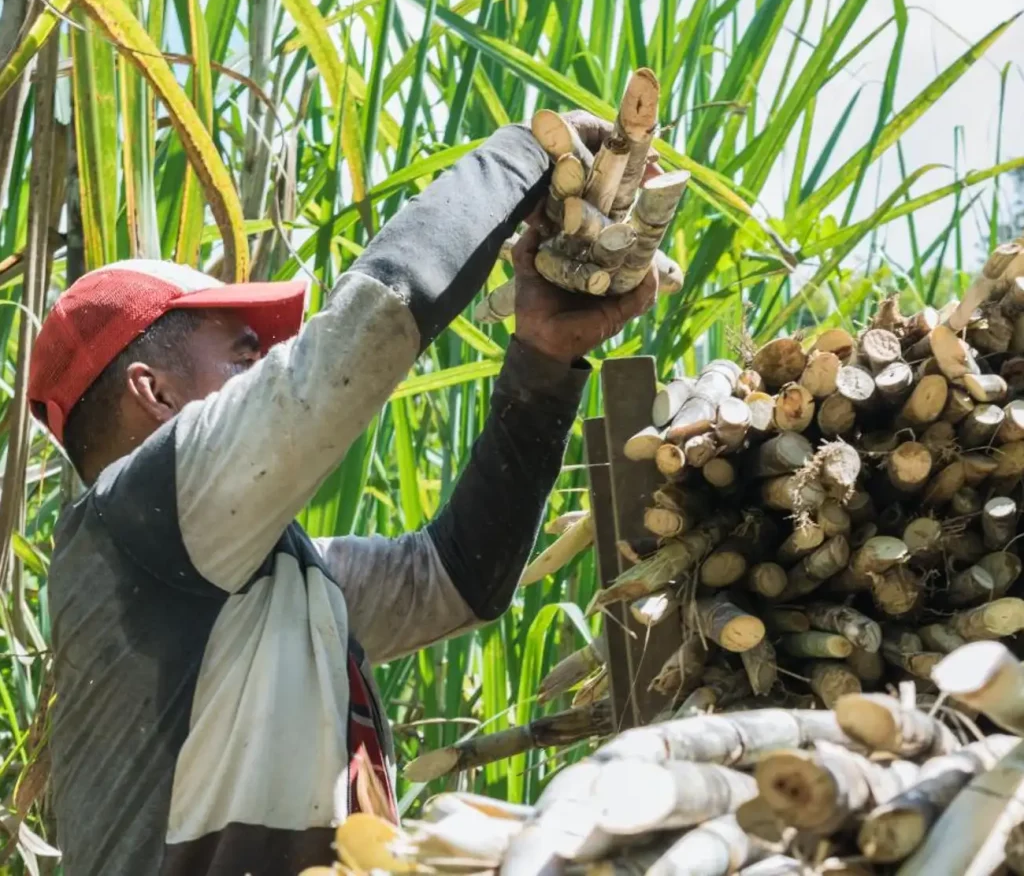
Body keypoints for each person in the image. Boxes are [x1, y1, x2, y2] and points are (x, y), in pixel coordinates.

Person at [26, 112, 657, 876]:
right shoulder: (130, 520)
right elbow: (354, 342)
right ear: (153, 392)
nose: (271, 365)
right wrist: (524, 154)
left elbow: (460, 577)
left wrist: (542, 359)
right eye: (244, 354)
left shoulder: (270, 587)